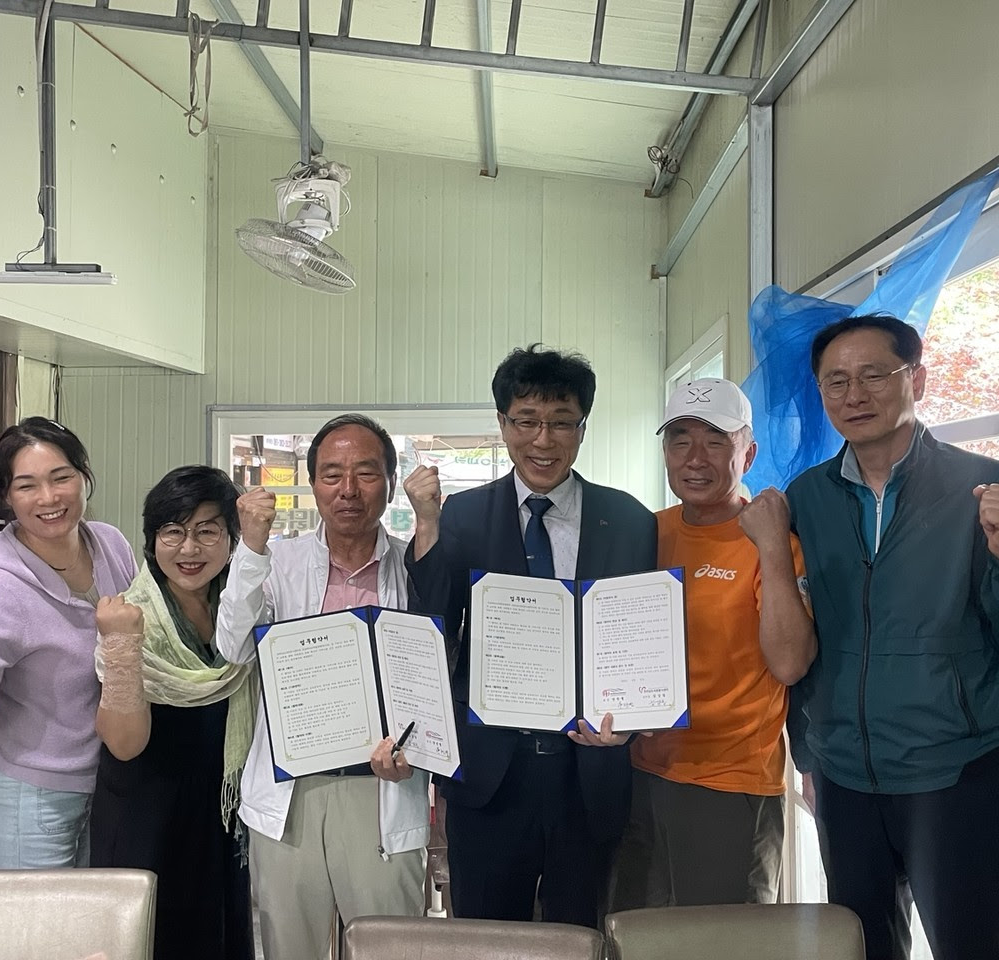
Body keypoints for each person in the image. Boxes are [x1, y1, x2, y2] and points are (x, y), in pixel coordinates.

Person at [786, 313, 999, 960]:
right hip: (845, 777)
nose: (855, 395)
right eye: (836, 381)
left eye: (874, 374)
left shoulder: (983, 487)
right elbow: (805, 641)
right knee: (862, 947)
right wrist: (808, 753)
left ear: (918, 378)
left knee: (969, 947)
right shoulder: (807, 497)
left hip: (954, 772)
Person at [404, 343, 658, 928]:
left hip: (588, 774)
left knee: (582, 936)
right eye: (526, 421)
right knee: (487, 938)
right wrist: (426, 526)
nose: (543, 440)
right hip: (490, 775)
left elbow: (641, 642)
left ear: (583, 428)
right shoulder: (461, 515)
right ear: (503, 424)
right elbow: (433, 625)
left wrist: (633, 719)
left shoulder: (629, 520)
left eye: (562, 422)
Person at [217, 414, 429, 960]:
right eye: (332, 474)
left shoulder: (416, 567)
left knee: (390, 949)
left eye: (366, 473)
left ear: (390, 482)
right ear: (313, 483)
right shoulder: (277, 562)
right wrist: (250, 548)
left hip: (381, 787)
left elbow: (434, 676)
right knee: (291, 948)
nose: (348, 489)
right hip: (293, 793)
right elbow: (233, 647)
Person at [607, 378, 815, 912]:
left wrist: (771, 544)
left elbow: (790, 663)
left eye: (716, 441)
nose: (695, 458)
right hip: (639, 772)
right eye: (680, 440)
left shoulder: (774, 544)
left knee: (722, 941)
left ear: (749, 453)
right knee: (636, 938)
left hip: (730, 781)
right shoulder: (645, 533)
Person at [0, 417, 136, 868]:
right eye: (27, 485)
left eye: (61, 477)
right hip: (30, 798)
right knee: (30, 918)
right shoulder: (0, 585)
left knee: (102, 916)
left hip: (110, 783)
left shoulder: (111, 546)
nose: (49, 498)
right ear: (7, 496)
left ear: (84, 476)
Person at [90, 466, 256, 960]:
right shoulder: (128, 616)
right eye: (172, 531)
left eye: (207, 531)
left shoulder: (242, 609)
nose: (189, 549)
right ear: (151, 540)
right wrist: (122, 646)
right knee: (153, 941)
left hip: (221, 811)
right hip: (146, 813)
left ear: (231, 539)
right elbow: (123, 744)